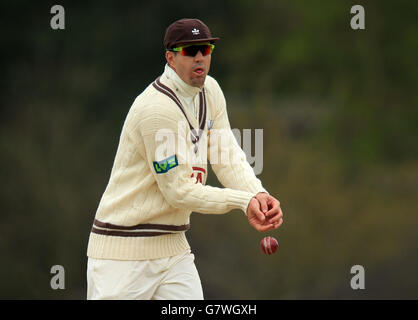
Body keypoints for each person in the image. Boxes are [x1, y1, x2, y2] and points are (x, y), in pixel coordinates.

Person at [86, 18, 284, 300]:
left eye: (205, 49)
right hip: (123, 253)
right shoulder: (156, 110)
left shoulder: (211, 92)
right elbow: (178, 192)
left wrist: (258, 194)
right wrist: (242, 202)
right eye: (190, 51)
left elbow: (227, 157)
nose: (200, 57)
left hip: (173, 249)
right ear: (170, 57)